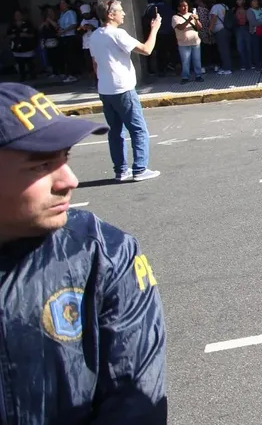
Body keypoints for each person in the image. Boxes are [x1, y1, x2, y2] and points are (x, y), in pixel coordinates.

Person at [0, 82, 167, 423]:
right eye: (40, 166)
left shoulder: (104, 253)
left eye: (65, 157)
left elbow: (134, 403)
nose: (69, 180)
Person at [87, 0, 162, 182]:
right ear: (111, 15)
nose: (124, 14)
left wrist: (104, 79)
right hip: (123, 88)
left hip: (105, 89)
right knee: (138, 130)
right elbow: (147, 49)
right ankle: (140, 169)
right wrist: (155, 28)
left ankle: (121, 170)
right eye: (120, 11)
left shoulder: (95, 35)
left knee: (115, 131)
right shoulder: (118, 34)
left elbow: (95, 63)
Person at [171, 0, 203, 84]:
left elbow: (199, 27)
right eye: (182, 6)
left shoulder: (192, 14)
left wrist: (196, 19)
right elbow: (180, 27)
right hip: (183, 43)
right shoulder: (175, 17)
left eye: (186, 6)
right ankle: (185, 77)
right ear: (178, 8)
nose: (185, 8)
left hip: (195, 42)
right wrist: (189, 20)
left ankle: (198, 75)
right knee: (185, 61)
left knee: (197, 60)